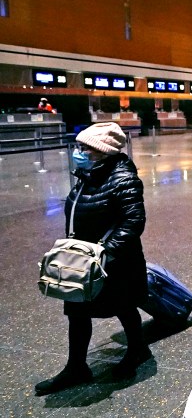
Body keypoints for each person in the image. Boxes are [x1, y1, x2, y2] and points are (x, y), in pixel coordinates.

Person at [35, 122, 152, 396]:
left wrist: (105, 254)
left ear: (101, 151)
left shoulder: (123, 178)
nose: (78, 153)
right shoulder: (89, 174)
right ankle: (76, 366)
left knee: (124, 307)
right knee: (76, 311)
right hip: (82, 259)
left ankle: (138, 350)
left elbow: (133, 221)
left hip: (113, 262)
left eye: (84, 148)